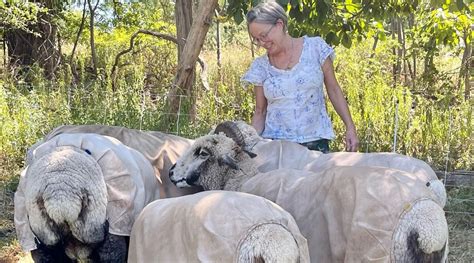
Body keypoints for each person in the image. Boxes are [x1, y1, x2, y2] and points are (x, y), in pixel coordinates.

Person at [241, 0, 359, 153]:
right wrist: (249, 147)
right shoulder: (260, 66)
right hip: (277, 149)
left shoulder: (316, 48)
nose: (262, 43)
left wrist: (350, 127)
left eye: (264, 35)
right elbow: (260, 111)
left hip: (315, 145)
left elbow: (334, 90)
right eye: (257, 39)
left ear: (279, 24)